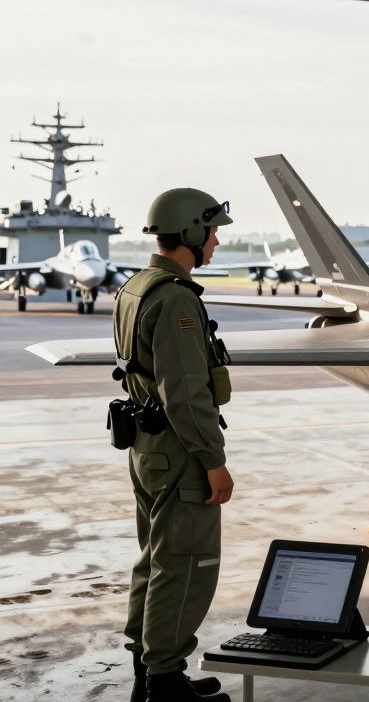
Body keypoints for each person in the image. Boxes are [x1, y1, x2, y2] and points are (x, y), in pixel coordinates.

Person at [115, 188, 235, 701]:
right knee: (185, 564)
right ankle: (165, 680)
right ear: (189, 232)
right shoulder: (176, 299)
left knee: (155, 558)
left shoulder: (137, 287)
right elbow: (185, 393)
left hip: (147, 447)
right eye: (211, 233)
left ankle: (149, 669)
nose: (214, 243)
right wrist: (214, 462)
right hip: (181, 451)